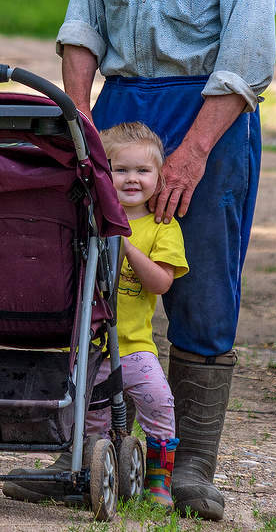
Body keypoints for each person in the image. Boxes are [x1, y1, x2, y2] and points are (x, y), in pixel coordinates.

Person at [47, 0, 276, 520]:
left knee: (201, 283)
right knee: (99, 274)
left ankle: (189, 468)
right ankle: (90, 453)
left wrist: (193, 151)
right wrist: (79, 118)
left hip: (209, 111)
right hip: (125, 105)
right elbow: (83, 22)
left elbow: (246, 55)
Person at [83, 122, 188, 506]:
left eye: (142, 171)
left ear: (160, 179)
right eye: (120, 169)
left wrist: (125, 242)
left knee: (159, 401)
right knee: (93, 419)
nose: (131, 179)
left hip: (134, 346)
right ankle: (98, 475)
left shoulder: (163, 228)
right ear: (102, 174)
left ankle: (159, 479)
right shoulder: (88, 223)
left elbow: (161, 283)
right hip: (90, 347)